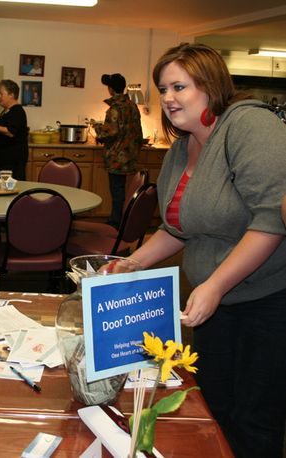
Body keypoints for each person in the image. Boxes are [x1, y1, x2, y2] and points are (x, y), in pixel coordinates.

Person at [127, 43, 286, 458]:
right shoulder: (182, 147)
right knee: (213, 407)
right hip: (211, 304)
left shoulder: (249, 126)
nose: (167, 98)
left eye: (179, 86)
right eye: (163, 88)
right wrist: (129, 263)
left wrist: (215, 285)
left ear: (210, 86)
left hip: (267, 303)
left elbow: (272, 220)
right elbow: (177, 229)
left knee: (253, 420)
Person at [94, 72, 143, 229]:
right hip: (130, 154)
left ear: (110, 89)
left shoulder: (114, 109)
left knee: (117, 191)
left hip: (117, 157)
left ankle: (116, 222)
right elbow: (137, 130)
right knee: (124, 190)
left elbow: (110, 132)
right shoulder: (133, 106)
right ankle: (123, 220)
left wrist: (97, 128)